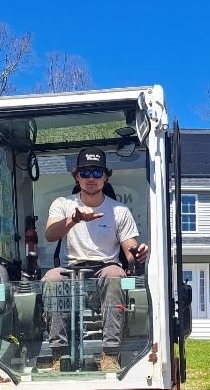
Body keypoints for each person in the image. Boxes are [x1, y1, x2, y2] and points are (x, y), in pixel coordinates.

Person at [43, 148, 149, 372]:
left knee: (116, 275)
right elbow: (51, 234)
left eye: (97, 172)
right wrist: (74, 219)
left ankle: (110, 354)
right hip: (69, 267)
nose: (91, 178)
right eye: (86, 172)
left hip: (105, 266)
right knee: (52, 278)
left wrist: (138, 252)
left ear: (106, 177)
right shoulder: (62, 204)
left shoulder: (119, 210)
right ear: (77, 176)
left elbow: (129, 251)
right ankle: (59, 356)